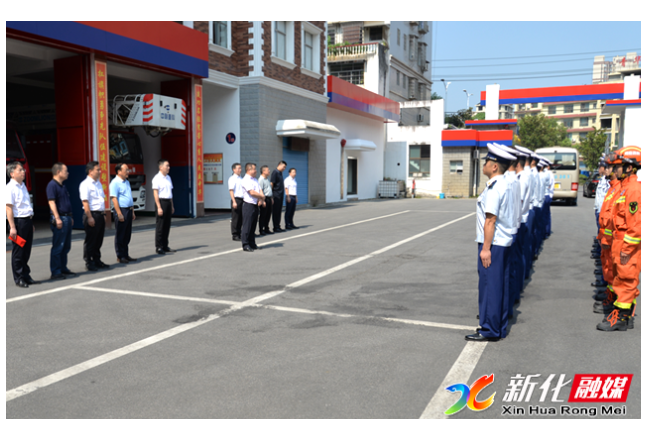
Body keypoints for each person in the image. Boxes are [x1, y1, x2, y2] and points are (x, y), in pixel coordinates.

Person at [466, 144, 516, 342]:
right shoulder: (506, 184)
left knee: (489, 287)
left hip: (493, 244)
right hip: (502, 243)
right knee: (499, 286)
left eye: (487, 162)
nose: (484, 164)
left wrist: (486, 248)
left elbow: (490, 220)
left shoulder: (495, 187)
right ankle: (498, 327)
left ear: (494, 166)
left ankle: (489, 329)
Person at [597, 146, 641, 332]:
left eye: (620, 166)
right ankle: (626, 314)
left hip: (626, 243)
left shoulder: (633, 190)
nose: (615, 170)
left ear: (630, 168)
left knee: (626, 279)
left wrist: (627, 248)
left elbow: (636, 225)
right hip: (618, 241)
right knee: (619, 278)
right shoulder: (624, 189)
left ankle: (621, 317)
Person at [494, 144, 522, 317]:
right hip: (513, 228)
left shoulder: (506, 182)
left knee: (502, 276)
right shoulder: (513, 180)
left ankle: (501, 310)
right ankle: (505, 307)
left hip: (503, 233)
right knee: (509, 270)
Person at [595, 159, 621, 315]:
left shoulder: (619, 189)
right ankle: (610, 297)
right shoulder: (613, 187)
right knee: (609, 270)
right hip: (607, 237)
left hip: (614, 240)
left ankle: (618, 309)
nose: (606, 169)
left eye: (611, 166)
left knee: (617, 274)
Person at [6, 162, 38, 288]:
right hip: (18, 223)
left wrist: (31, 222)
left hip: (27, 221)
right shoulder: (9, 188)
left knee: (26, 251)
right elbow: (8, 208)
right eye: (20, 170)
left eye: (23, 169)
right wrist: (12, 227)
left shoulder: (23, 186)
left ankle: (26, 275)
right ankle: (18, 278)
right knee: (18, 252)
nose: (23, 172)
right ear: (12, 173)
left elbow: (26, 206)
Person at [46, 163, 76, 280]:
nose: (67, 173)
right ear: (58, 172)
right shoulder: (52, 185)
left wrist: (70, 216)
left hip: (66, 217)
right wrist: (57, 218)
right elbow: (52, 203)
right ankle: (56, 271)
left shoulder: (62, 185)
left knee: (66, 246)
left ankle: (63, 268)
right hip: (60, 218)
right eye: (65, 171)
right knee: (58, 246)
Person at [80, 161, 109, 272]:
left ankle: (97, 260)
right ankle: (89, 261)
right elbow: (85, 202)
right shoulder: (85, 184)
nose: (100, 171)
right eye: (98, 170)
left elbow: (101, 200)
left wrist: (104, 214)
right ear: (90, 171)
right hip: (92, 214)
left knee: (99, 239)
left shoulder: (98, 183)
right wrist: (90, 217)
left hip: (100, 214)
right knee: (91, 240)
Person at [515, 146, 537, 280]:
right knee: (522, 251)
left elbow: (520, 201)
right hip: (524, 215)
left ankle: (519, 283)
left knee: (519, 254)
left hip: (522, 218)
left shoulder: (523, 177)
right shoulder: (525, 175)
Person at [110, 163, 137, 265]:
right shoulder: (115, 183)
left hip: (129, 210)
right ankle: (120, 256)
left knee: (127, 234)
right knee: (120, 235)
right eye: (126, 170)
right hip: (121, 210)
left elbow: (129, 197)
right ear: (119, 171)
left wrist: (133, 211)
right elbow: (114, 199)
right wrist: (119, 213)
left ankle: (125, 254)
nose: (128, 172)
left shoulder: (126, 182)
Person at [240, 163, 265, 252]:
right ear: (249, 170)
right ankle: (245, 244)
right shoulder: (245, 180)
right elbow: (252, 192)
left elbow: (259, 190)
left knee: (253, 226)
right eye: (254, 169)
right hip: (248, 205)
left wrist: (261, 198)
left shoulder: (255, 179)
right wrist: (262, 197)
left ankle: (252, 243)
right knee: (247, 226)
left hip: (255, 205)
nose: (256, 171)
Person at [152, 159, 175, 255]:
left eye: (169, 166)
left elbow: (170, 193)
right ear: (160, 167)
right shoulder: (156, 178)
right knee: (160, 226)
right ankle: (159, 247)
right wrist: (159, 207)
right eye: (167, 166)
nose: (168, 168)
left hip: (168, 202)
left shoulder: (168, 178)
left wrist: (172, 206)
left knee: (167, 225)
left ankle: (165, 245)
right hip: (161, 202)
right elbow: (155, 193)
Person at [592, 161, 610, 259]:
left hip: (603, 211)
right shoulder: (602, 179)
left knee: (602, 232)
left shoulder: (608, 182)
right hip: (599, 209)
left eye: (601, 167)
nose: (599, 169)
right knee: (600, 232)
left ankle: (600, 254)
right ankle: (600, 253)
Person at [271, 161, 287, 233]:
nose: (284, 168)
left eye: (285, 167)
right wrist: (272, 195)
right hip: (276, 195)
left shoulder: (280, 173)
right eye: (283, 167)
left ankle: (278, 226)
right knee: (276, 211)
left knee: (279, 211)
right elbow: (272, 183)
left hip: (280, 195)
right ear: (279, 165)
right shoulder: (275, 172)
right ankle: (275, 227)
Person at [228, 163, 243, 241]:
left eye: (240, 168)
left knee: (241, 218)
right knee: (235, 218)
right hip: (236, 199)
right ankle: (235, 235)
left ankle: (239, 233)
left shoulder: (241, 178)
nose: (240, 170)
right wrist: (234, 201)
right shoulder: (232, 178)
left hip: (242, 200)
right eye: (238, 168)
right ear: (234, 169)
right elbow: (231, 190)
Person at [258, 166, 274, 236]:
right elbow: (260, 191)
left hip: (269, 198)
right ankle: (261, 229)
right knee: (263, 215)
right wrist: (262, 200)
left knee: (268, 214)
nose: (269, 171)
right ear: (263, 171)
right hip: (264, 199)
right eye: (268, 170)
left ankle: (266, 228)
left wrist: (272, 198)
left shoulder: (267, 179)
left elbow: (269, 189)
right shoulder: (261, 180)